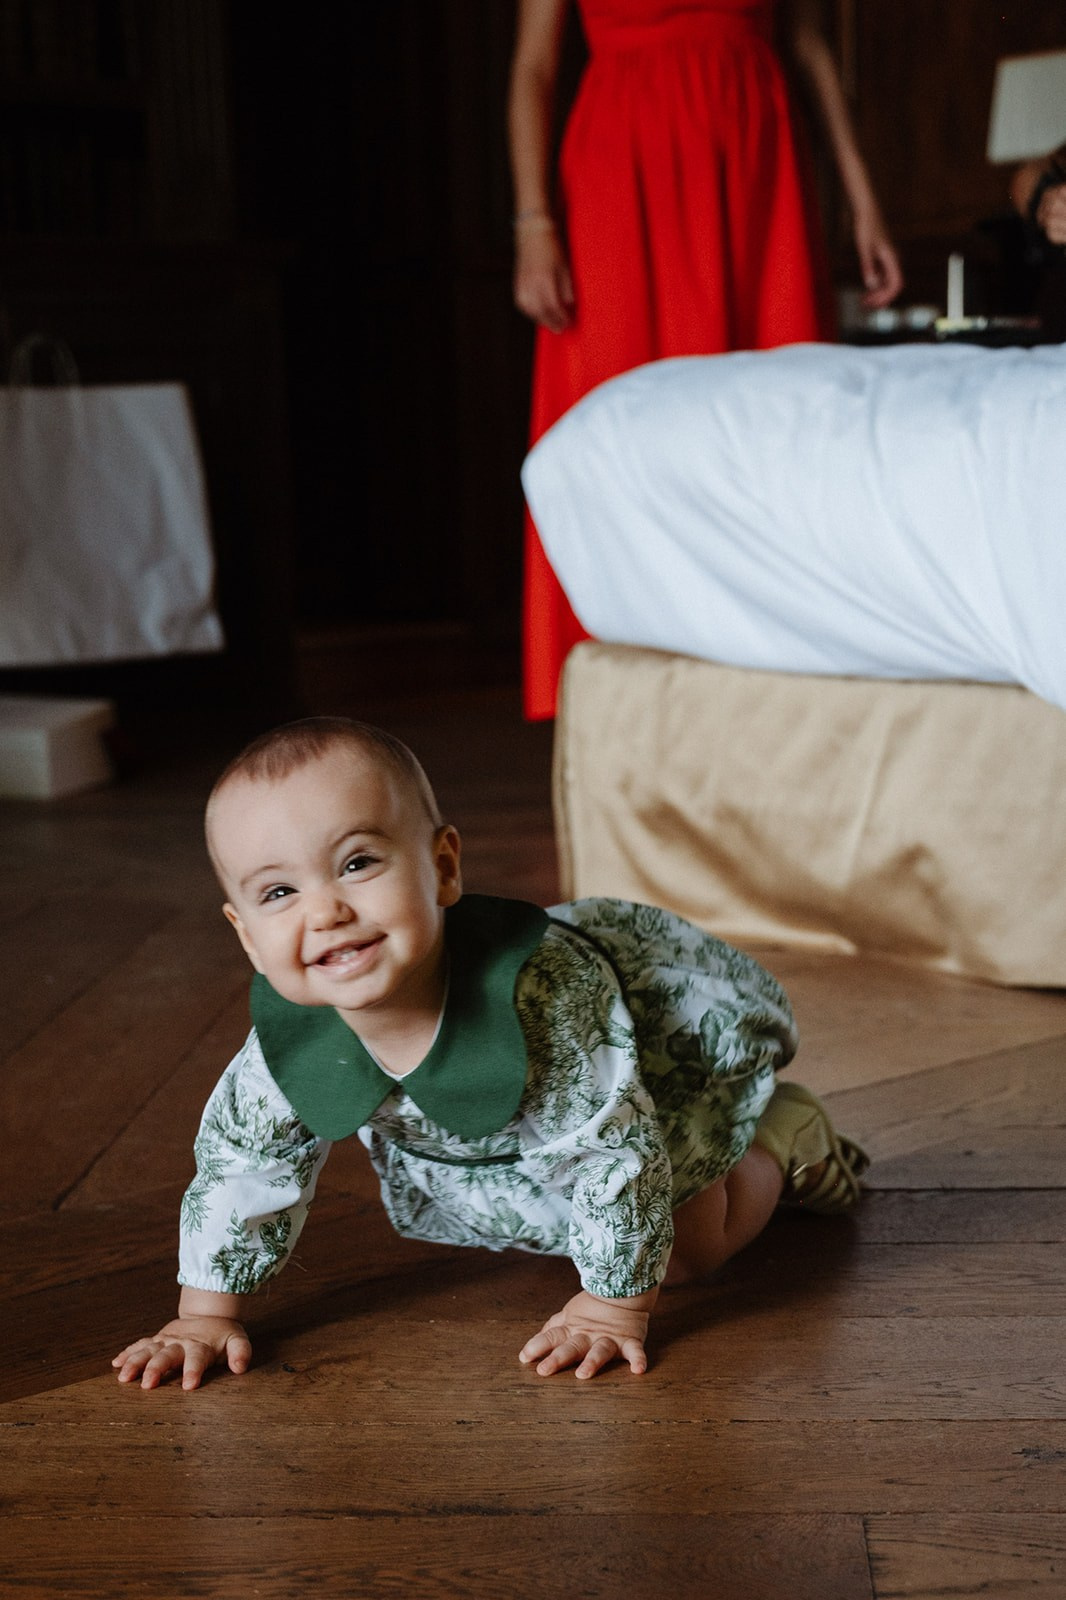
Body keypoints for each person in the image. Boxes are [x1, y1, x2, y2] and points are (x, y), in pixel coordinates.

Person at [113, 716, 868, 1391]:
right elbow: (243, 1166)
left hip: (627, 1101)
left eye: (357, 864)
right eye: (277, 893)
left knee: (689, 1254)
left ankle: (784, 1132)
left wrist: (610, 1308)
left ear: (442, 868)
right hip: (512, 1144)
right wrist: (203, 1315)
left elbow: (616, 1157)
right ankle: (598, 1232)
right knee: (573, 1219)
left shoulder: (543, 1005)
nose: (327, 910)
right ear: (246, 934)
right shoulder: (286, 1040)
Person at [509, 0, 904, 720]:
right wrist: (533, 222)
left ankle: (778, 675)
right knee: (616, 413)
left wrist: (862, 195)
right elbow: (534, 65)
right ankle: (618, 685)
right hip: (623, 162)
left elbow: (808, 43)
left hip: (756, 159)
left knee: (781, 421)